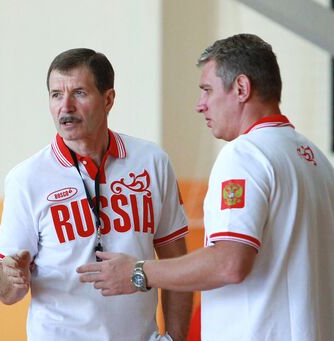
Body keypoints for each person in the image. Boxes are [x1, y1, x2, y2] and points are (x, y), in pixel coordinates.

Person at [77, 34, 334, 340]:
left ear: (241, 88)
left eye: (207, 90)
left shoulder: (245, 156)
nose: (200, 105)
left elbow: (229, 263)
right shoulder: (315, 158)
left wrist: (138, 272)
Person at [0, 48, 192, 341]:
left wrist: (174, 338)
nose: (65, 106)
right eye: (56, 94)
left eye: (79, 93)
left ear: (108, 99)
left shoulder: (152, 162)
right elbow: (5, 291)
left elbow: (177, 264)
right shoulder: (26, 179)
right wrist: (10, 278)